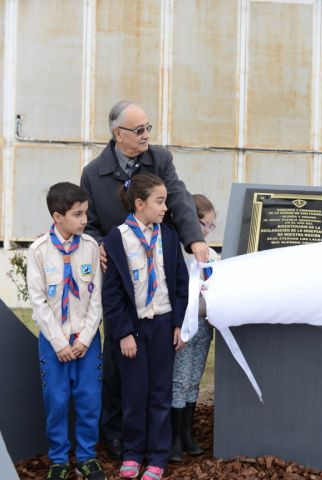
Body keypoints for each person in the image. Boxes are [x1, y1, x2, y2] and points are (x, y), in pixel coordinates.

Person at [80, 100, 207, 458]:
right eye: (139, 130)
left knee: (158, 365)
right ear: (117, 134)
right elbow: (88, 223)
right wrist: (100, 245)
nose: (147, 136)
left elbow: (179, 199)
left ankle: (158, 437)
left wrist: (194, 237)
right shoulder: (93, 173)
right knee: (119, 358)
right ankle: (117, 433)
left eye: (148, 127)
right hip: (121, 281)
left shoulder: (160, 159)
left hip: (159, 279)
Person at [101, 173, 188, 480]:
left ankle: (158, 456)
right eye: (160, 201)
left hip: (163, 324)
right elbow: (111, 294)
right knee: (134, 394)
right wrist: (123, 332)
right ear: (140, 204)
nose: (165, 208)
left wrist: (178, 323)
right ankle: (134, 453)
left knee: (160, 394)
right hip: (134, 330)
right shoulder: (116, 239)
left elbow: (180, 284)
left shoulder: (169, 236)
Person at [26, 182, 104, 480]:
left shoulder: (91, 247)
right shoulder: (39, 251)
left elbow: (95, 297)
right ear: (58, 217)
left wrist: (85, 338)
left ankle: (87, 457)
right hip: (54, 340)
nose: (85, 220)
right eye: (78, 214)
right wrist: (59, 342)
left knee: (88, 397)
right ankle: (58, 458)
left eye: (86, 213)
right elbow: (38, 301)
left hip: (86, 339)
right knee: (56, 400)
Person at [170, 194, 218, 462]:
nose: (205, 230)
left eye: (210, 226)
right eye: (202, 223)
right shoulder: (177, 249)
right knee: (179, 380)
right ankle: (173, 437)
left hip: (203, 325)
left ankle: (187, 435)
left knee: (193, 382)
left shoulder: (210, 254)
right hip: (182, 326)